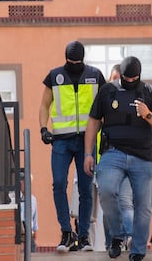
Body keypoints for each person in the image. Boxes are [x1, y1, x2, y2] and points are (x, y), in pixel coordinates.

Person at [84, 56, 152, 261]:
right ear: (121, 75)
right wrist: (88, 154)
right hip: (113, 153)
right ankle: (117, 235)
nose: (130, 81)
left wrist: (147, 114)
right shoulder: (107, 91)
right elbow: (93, 122)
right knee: (106, 191)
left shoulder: (149, 92)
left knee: (143, 205)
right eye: (126, 78)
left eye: (134, 78)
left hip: (143, 156)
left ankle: (138, 249)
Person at [39, 40, 106, 252]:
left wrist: (105, 132)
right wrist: (43, 128)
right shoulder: (55, 76)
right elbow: (44, 104)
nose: (73, 65)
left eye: (77, 62)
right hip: (61, 140)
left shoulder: (95, 76)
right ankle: (67, 232)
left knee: (86, 188)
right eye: (70, 62)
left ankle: (84, 235)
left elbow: (104, 105)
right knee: (59, 183)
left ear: (82, 60)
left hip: (87, 140)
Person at [102, 64, 134, 251]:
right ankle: (112, 242)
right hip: (106, 160)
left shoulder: (132, 101)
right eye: (114, 77)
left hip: (129, 159)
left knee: (124, 200)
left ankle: (129, 237)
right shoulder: (103, 101)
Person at [20, 174, 38, 252]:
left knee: (32, 248)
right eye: (22, 182)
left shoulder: (33, 199)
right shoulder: (15, 198)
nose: (23, 185)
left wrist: (35, 230)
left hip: (29, 231)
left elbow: (34, 217)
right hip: (19, 228)